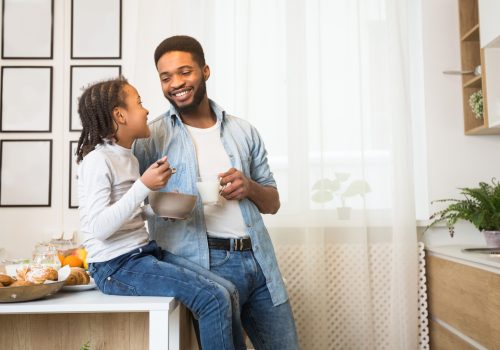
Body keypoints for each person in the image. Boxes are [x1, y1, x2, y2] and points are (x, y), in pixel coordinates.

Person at [133, 35, 300, 349]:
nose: (176, 83)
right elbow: (131, 199)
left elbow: (273, 203)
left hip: (259, 259)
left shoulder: (243, 131)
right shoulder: (150, 137)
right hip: (205, 265)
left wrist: (249, 187)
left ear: (205, 71)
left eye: (185, 72)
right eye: (165, 77)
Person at [76, 77, 245, 350]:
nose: (145, 110)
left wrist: (156, 210)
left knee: (229, 291)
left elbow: (126, 214)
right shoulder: (99, 160)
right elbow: (100, 228)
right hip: (115, 267)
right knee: (212, 298)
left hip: (142, 254)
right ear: (120, 115)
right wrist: (144, 185)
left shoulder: (127, 157)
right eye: (139, 103)